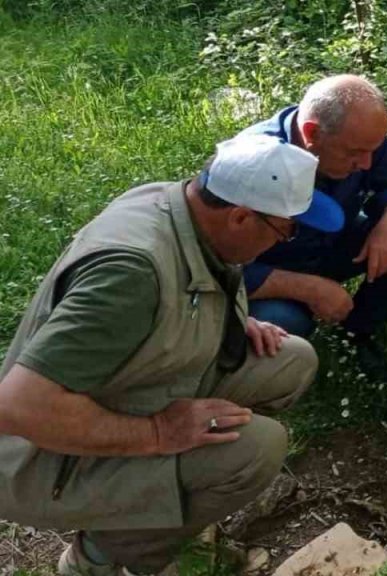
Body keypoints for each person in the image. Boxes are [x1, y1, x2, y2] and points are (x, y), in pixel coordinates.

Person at [0, 135, 343, 575]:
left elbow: (188, 288)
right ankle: (101, 558)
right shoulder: (131, 275)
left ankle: (165, 497)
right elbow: (19, 408)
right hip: (43, 458)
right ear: (240, 216)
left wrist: (230, 317)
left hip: (128, 387)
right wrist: (161, 433)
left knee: (293, 361)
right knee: (257, 447)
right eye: (286, 229)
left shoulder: (189, 208)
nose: (285, 240)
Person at [238, 74, 387, 382]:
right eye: (355, 153)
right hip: (269, 271)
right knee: (284, 323)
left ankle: (357, 332)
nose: (368, 164)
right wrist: (310, 289)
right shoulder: (251, 167)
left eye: (374, 150)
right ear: (311, 133)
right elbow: (219, 270)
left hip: (331, 244)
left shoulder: (357, 137)